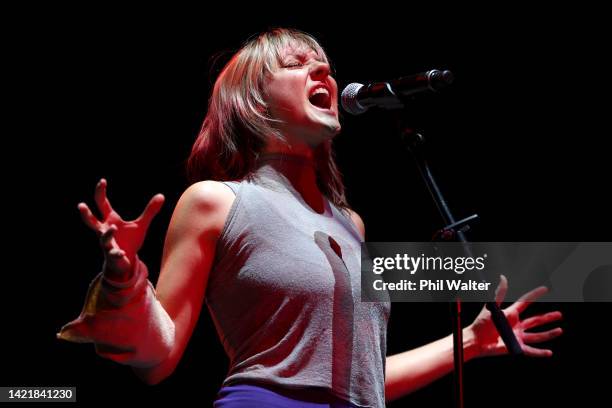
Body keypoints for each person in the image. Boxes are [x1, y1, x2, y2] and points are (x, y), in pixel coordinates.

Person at [58, 28, 563, 408]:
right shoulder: (217, 200)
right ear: (253, 101)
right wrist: (124, 283)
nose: (323, 72)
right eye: (297, 64)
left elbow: (359, 378)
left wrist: (469, 343)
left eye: (325, 64)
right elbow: (158, 359)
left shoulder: (352, 224)